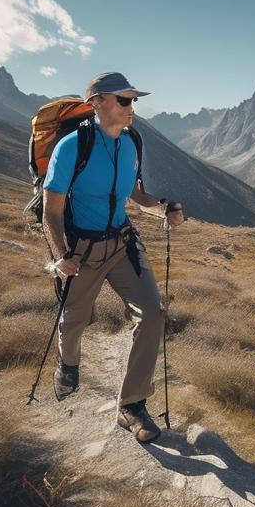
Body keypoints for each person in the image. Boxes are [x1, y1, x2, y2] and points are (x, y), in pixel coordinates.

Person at [41, 71, 184, 444]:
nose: (131, 107)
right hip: (81, 249)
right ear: (98, 103)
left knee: (153, 313)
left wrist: (164, 207)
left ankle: (132, 406)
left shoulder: (131, 143)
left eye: (133, 100)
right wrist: (61, 258)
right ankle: (68, 364)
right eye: (124, 100)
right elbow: (51, 211)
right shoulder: (73, 146)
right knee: (74, 319)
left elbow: (136, 195)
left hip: (121, 243)